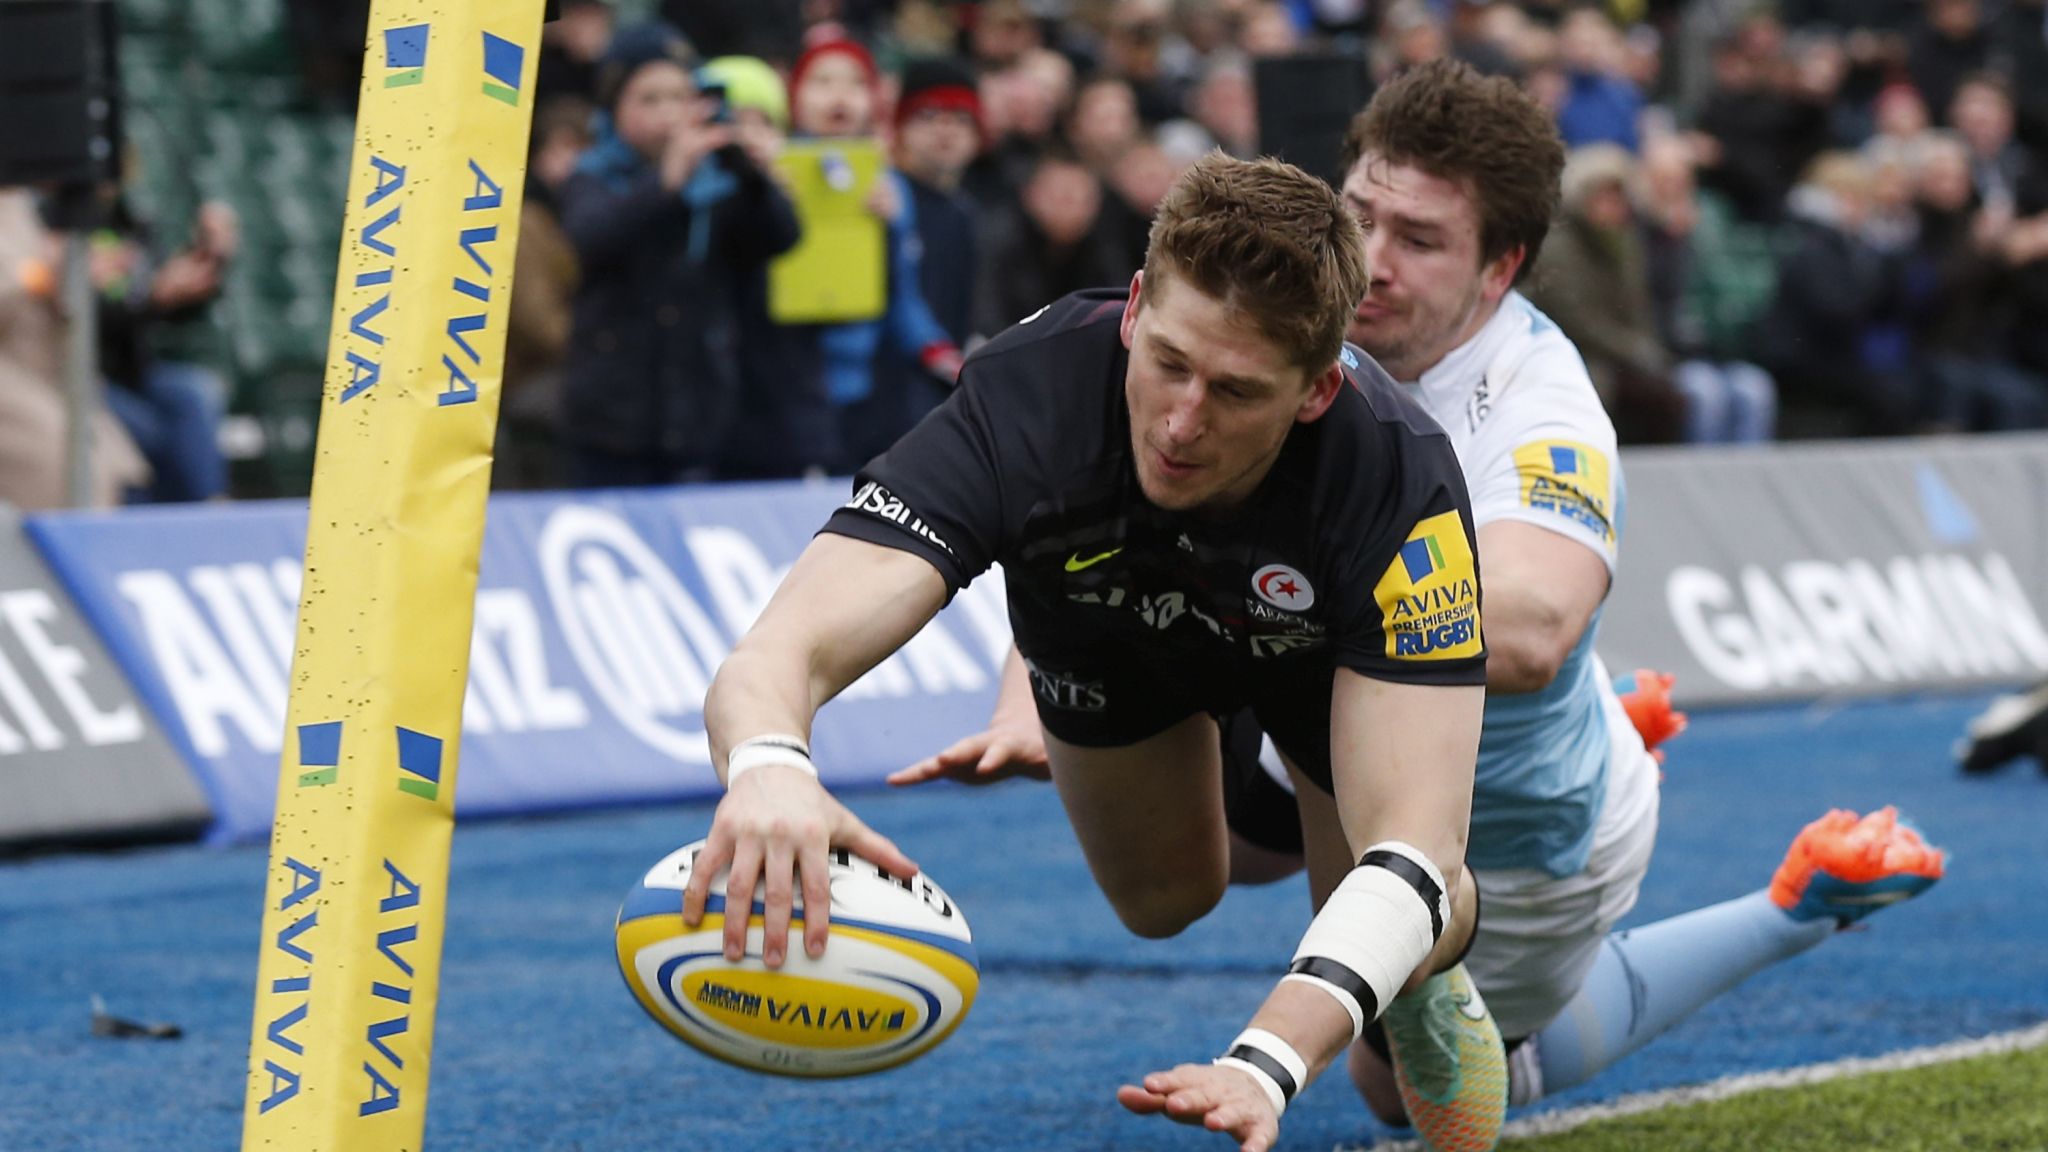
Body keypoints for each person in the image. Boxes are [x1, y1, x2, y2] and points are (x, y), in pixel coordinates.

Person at [899, 61, 1945, 1151]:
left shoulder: (1540, 408)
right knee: (1201, 831)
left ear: (1501, 269)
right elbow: (1101, 502)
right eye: (1362, 215)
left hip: (1512, 837)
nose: (1374, 264)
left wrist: (1271, 615)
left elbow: (1534, 627)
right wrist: (1048, 681)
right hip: (1315, 716)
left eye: (1422, 240)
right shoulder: (1286, 332)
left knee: (1389, 1083)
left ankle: (1788, 906)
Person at [687, 151, 1494, 1152]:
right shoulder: (1026, 394)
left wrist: (1263, 1063)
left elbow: (1413, 852)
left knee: (1415, 915)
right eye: (1167, 363)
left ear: (1316, 389)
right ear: (1135, 307)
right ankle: (1257, 773)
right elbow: (778, 651)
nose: (1181, 422)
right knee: (1160, 901)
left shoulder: (1396, 476)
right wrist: (768, 769)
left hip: (1313, 657)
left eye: (1236, 393)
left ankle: (1354, 874)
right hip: (1111, 615)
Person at [555, 22, 800, 487]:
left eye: (679, 96)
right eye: (649, 99)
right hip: (610, 423)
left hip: (699, 415)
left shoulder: (715, 181)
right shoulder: (591, 176)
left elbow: (780, 239)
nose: (668, 113)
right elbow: (590, 238)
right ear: (614, 104)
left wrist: (752, 175)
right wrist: (666, 181)